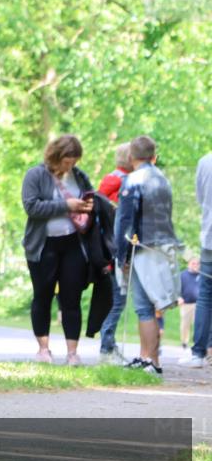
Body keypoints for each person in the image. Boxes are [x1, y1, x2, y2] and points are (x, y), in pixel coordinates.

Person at [21, 134, 95, 366]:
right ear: (56, 156)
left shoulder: (79, 176)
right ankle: (43, 349)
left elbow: (90, 199)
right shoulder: (36, 175)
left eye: (74, 160)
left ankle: (72, 353)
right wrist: (66, 205)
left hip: (73, 243)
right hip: (44, 245)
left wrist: (88, 206)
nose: (70, 165)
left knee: (71, 298)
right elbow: (31, 206)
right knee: (42, 295)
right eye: (66, 160)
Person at [114, 135, 182, 376]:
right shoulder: (163, 178)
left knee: (143, 307)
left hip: (143, 247)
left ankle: (149, 360)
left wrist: (121, 255)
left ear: (131, 156)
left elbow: (125, 219)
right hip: (164, 244)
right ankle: (151, 360)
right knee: (154, 305)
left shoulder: (133, 180)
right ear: (154, 156)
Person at [98, 143, 132, 363]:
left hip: (109, 250)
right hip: (116, 252)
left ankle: (109, 345)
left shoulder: (110, 181)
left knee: (117, 300)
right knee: (118, 301)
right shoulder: (122, 182)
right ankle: (107, 346)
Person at [183, 153, 212, 368]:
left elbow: (201, 198)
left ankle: (198, 353)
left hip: (209, 237)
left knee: (205, 295)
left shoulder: (204, 161)